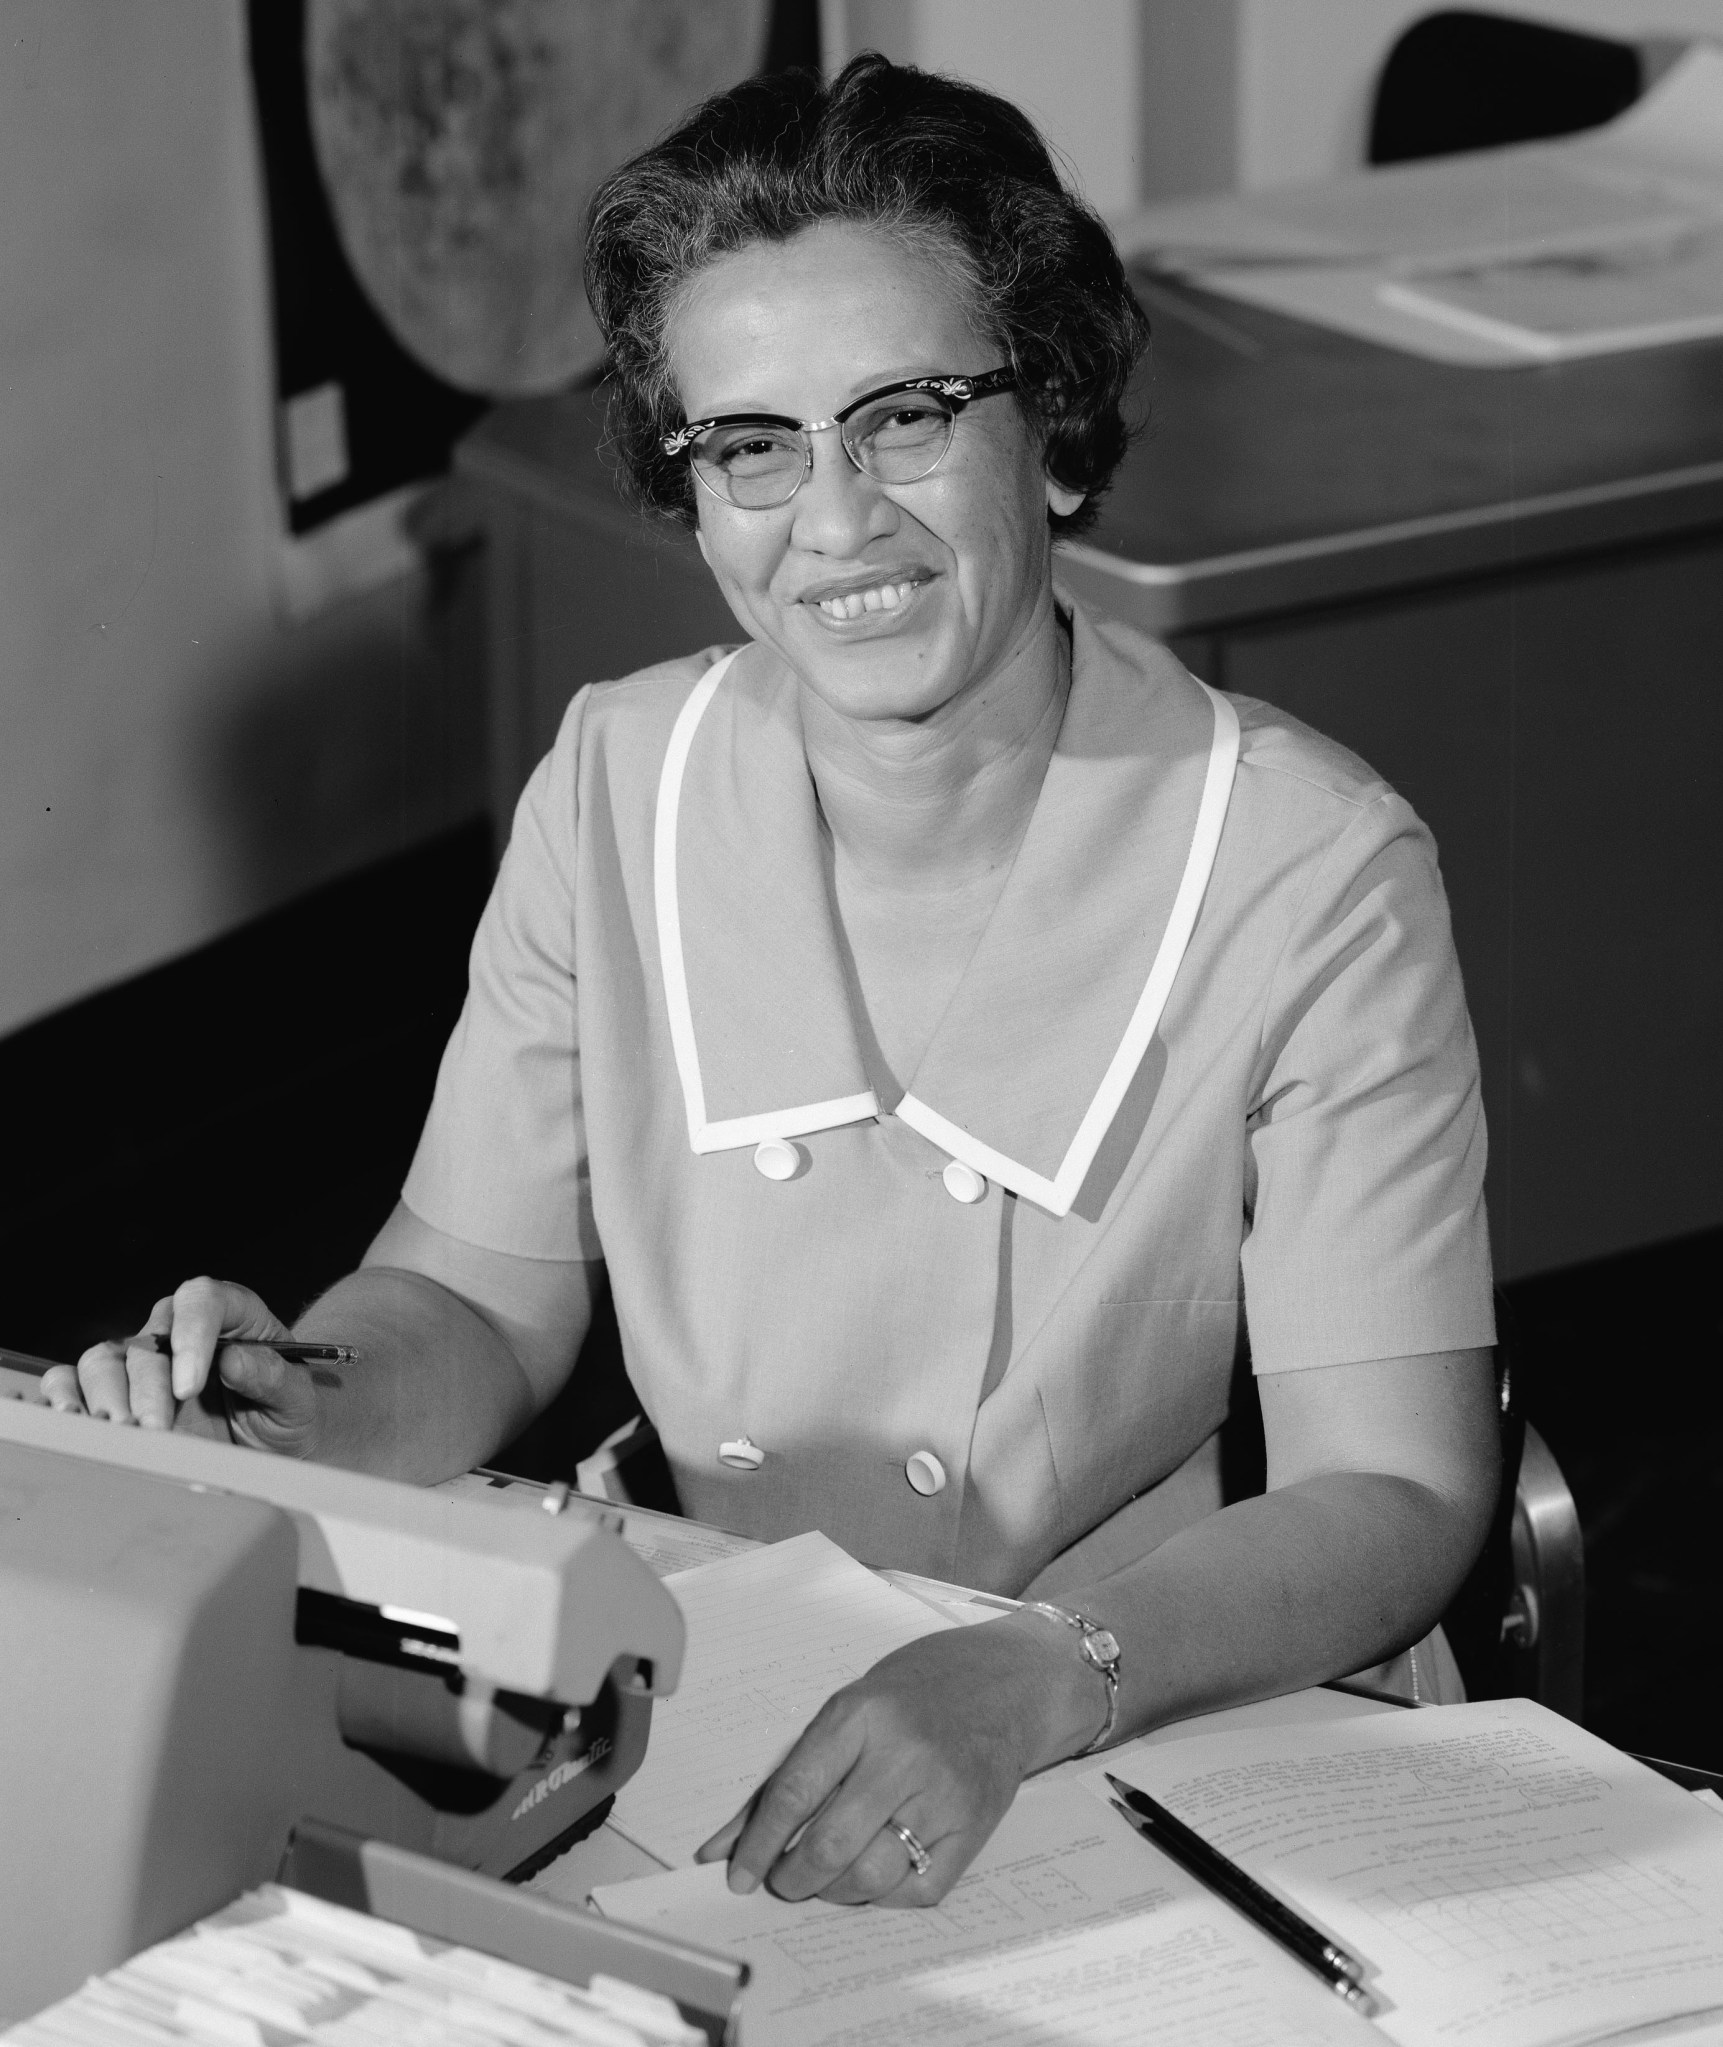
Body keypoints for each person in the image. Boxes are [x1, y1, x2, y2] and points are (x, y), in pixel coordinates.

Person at [45, 55, 1499, 1909]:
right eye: (752, 446)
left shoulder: (1308, 868)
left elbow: (1396, 1492)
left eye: (905, 419)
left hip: (1154, 1700)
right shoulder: (617, 782)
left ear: (1050, 422)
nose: (835, 519)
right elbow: (476, 1310)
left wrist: (1039, 1675)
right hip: (717, 1690)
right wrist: (284, 1405)